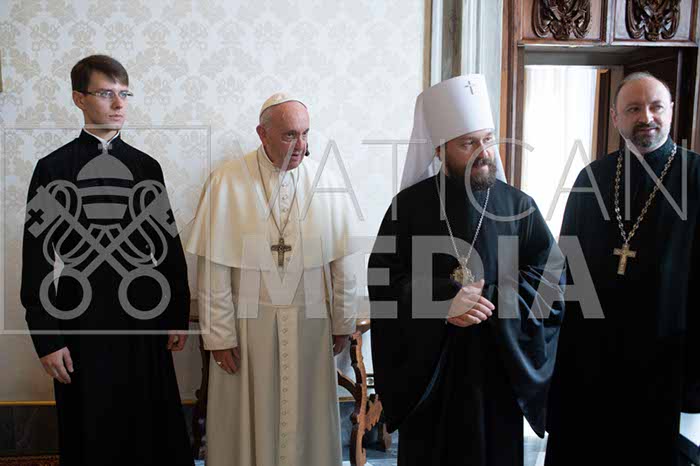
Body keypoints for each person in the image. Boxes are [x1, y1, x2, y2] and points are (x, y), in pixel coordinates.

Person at [368, 74, 566, 466]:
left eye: (488, 139)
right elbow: (384, 280)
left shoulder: (519, 207)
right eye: (468, 143)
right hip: (431, 376)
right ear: (440, 149)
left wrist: (488, 300)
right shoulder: (408, 208)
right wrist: (442, 302)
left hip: (496, 374)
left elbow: (551, 279)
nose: (484, 152)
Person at [21, 55, 193, 466]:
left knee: (150, 429)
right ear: (79, 98)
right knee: (91, 429)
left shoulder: (146, 167)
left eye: (124, 94)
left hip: (143, 314)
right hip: (80, 316)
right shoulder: (52, 169)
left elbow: (167, 246)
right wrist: (48, 339)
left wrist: (177, 312)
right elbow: (36, 260)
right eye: (105, 93)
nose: (118, 104)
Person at [185, 93, 359, 466]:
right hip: (249, 326)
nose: (301, 145)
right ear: (262, 134)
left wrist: (342, 323)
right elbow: (214, 269)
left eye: (306, 134)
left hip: (310, 322)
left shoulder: (327, 181)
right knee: (248, 416)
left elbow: (343, 263)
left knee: (307, 416)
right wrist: (219, 336)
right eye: (289, 135)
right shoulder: (226, 182)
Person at [546, 72, 700, 466]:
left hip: (666, 360)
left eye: (655, 107)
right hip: (592, 358)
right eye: (633, 109)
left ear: (671, 111)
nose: (646, 117)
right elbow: (565, 267)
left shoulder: (696, 177)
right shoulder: (592, 178)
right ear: (615, 118)